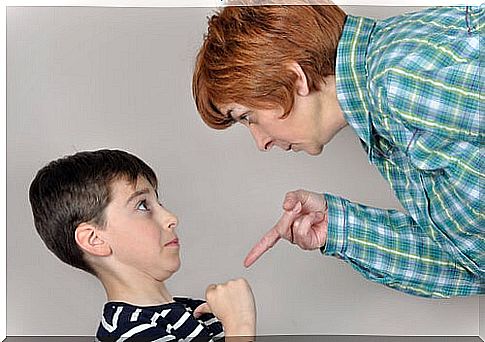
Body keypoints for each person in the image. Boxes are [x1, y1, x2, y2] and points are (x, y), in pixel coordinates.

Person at [192, 4, 484, 298]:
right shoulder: (382, 106)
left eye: (247, 116)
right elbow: (476, 261)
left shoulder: (399, 82)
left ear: (296, 79)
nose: (261, 142)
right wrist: (341, 228)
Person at [29, 149, 256, 341]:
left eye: (159, 202)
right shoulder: (127, 332)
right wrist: (241, 328)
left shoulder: (200, 312)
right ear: (94, 239)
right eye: (142, 206)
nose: (171, 217)